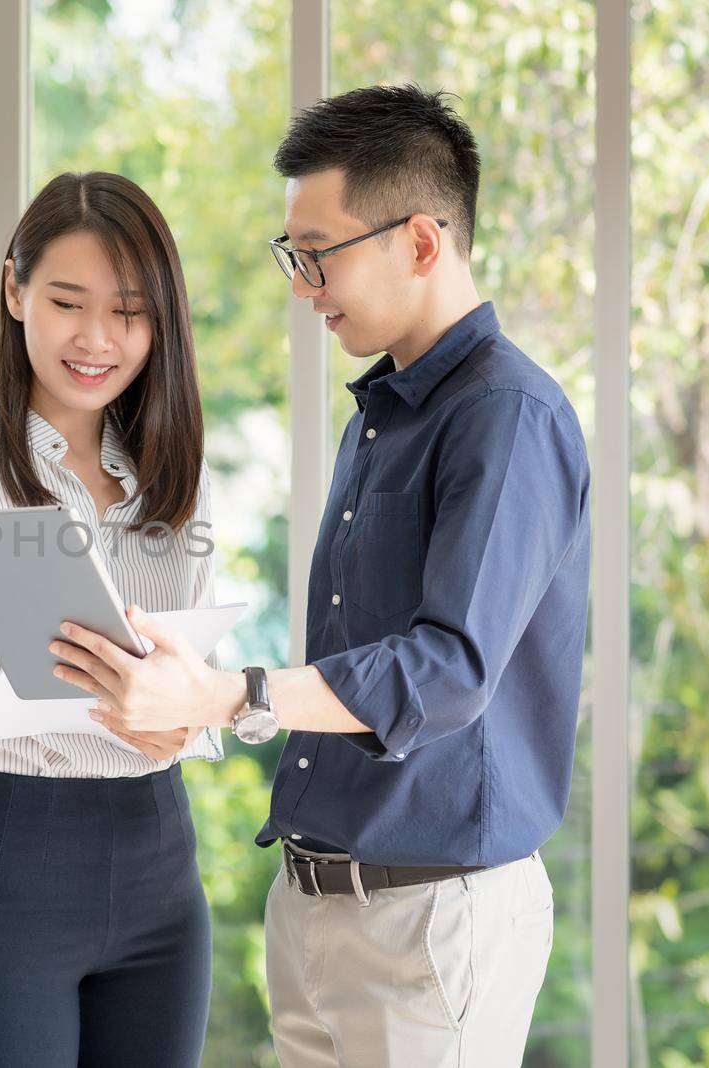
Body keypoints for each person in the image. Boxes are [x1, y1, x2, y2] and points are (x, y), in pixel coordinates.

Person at [57, 85, 591, 1067]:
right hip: (314, 908)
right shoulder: (379, 418)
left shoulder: (508, 417)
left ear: (421, 242)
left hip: (429, 922)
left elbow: (446, 670)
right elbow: (354, 664)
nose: (303, 285)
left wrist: (232, 692)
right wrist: (208, 693)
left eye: (319, 253)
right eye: (292, 256)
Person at [0, 171, 221, 1066]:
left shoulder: (174, 469)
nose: (98, 338)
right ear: (15, 289)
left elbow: (180, 710)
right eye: (68, 302)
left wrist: (170, 720)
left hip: (158, 861)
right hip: (10, 862)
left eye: (130, 311)